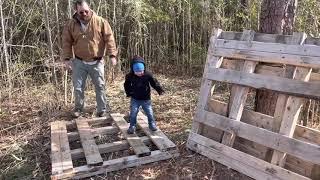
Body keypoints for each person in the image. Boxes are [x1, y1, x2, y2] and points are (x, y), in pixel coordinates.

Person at [62, 0, 117, 118]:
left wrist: (112, 55)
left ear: (90, 9)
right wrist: (66, 59)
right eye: (81, 12)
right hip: (79, 62)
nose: (84, 14)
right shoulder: (71, 24)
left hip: (96, 61)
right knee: (78, 88)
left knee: (100, 86)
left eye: (86, 11)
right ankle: (78, 109)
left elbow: (109, 38)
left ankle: (102, 109)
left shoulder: (101, 21)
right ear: (76, 11)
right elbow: (66, 42)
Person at [124, 56, 164, 134]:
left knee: (149, 112)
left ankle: (152, 124)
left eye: (141, 72)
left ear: (144, 69)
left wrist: (159, 90)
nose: (140, 73)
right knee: (133, 113)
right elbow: (126, 85)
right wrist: (128, 93)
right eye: (137, 72)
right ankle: (132, 126)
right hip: (135, 99)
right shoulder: (129, 76)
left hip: (146, 99)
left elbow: (154, 83)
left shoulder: (148, 74)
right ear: (133, 70)